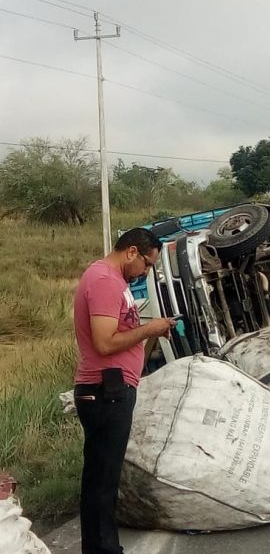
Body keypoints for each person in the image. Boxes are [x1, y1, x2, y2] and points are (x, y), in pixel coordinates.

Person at [73, 228, 176, 554]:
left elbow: (123, 338)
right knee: (102, 483)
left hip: (113, 388)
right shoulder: (104, 281)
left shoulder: (116, 282)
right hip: (105, 390)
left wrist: (152, 335)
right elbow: (104, 343)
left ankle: (102, 547)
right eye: (147, 264)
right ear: (131, 252)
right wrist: (150, 328)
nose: (146, 272)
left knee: (104, 479)